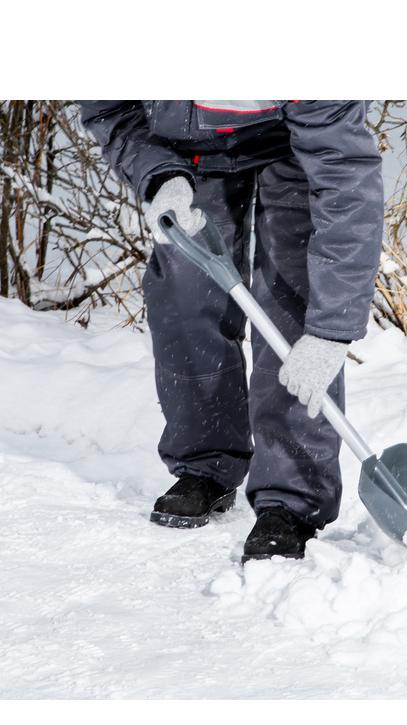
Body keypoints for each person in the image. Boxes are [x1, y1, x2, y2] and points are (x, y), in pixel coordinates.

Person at [78, 101, 384, 563]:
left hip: (294, 148)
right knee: (184, 301)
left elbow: (345, 177)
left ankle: (290, 498)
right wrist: (158, 173)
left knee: (292, 309)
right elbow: (109, 109)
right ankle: (206, 464)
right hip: (184, 154)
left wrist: (331, 331)